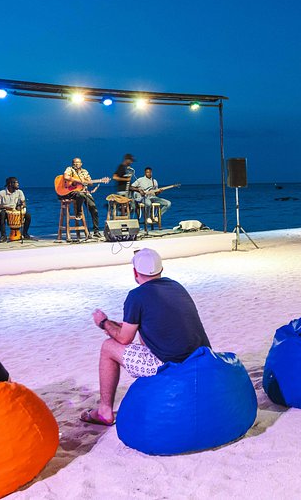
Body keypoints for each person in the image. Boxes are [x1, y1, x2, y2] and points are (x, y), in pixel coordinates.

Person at [81, 248, 210, 426]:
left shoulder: (136, 296)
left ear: (135, 272)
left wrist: (103, 323)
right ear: (161, 270)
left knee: (108, 347)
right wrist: (122, 327)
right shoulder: (176, 286)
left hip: (170, 365)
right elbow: (152, 330)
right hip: (201, 359)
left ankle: (104, 411)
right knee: (123, 338)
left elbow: (125, 339)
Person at [63, 157, 105, 238]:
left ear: (81, 164)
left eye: (78, 163)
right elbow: (66, 177)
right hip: (71, 192)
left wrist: (88, 181)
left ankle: (96, 231)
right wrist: (78, 181)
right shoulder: (69, 169)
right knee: (80, 195)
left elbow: (90, 183)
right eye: (74, 163)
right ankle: (79, 212)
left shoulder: (84, 171)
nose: (76, 164)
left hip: (83, 191)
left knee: (94, 209)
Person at [0, 176, 32, 241]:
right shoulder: (1, 193)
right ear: (10, 184)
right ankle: (3, 236)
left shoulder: (19, 192)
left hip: (16, 211)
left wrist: (20, 206)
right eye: (16, 182)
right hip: (6, 211)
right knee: (2, 214)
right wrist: (5, 207)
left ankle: (25, 233)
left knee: (28, 215)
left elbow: (24, 203)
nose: (18, 184)